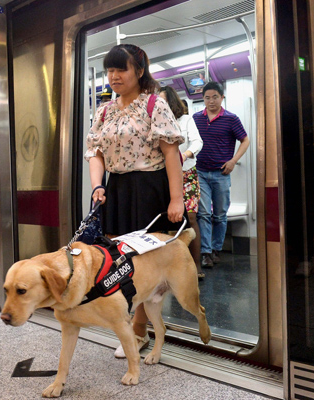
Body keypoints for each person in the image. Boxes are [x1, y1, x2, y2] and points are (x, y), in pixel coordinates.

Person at [85, 44, 184, 359]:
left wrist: (176, 198)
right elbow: (96, 153)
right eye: (110, 70)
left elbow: (171, 154)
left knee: (143, 264)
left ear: (139, 71)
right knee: (119, 262)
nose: (114, 76)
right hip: (116, 189)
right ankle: (127, 322)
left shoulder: (155, 105)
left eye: (121, 69)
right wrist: (98, 186)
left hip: (148, 189)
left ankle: (139, 330)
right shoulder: (104, 111)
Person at [192, 81, 249, 268]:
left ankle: (216, 249)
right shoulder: (196, 118)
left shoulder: (231, 119)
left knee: (220, 215)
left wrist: (233, 161)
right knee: (203, 214)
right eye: (207, 97)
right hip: (200, 172)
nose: (211, 101)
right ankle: (206, 253)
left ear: (222, 97)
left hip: (221, 173)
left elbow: (245, 140)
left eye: (215, 97)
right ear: (203, 99)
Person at [159, 86, 204, 279]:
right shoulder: (156, 122)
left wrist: (185, 154)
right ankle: (170, 266)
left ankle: (195, 265)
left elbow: (197, 142)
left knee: (190, 218)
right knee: (168, 220)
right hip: (163, 176)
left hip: (186, 174)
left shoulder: (186, 120)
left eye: (163, 101)